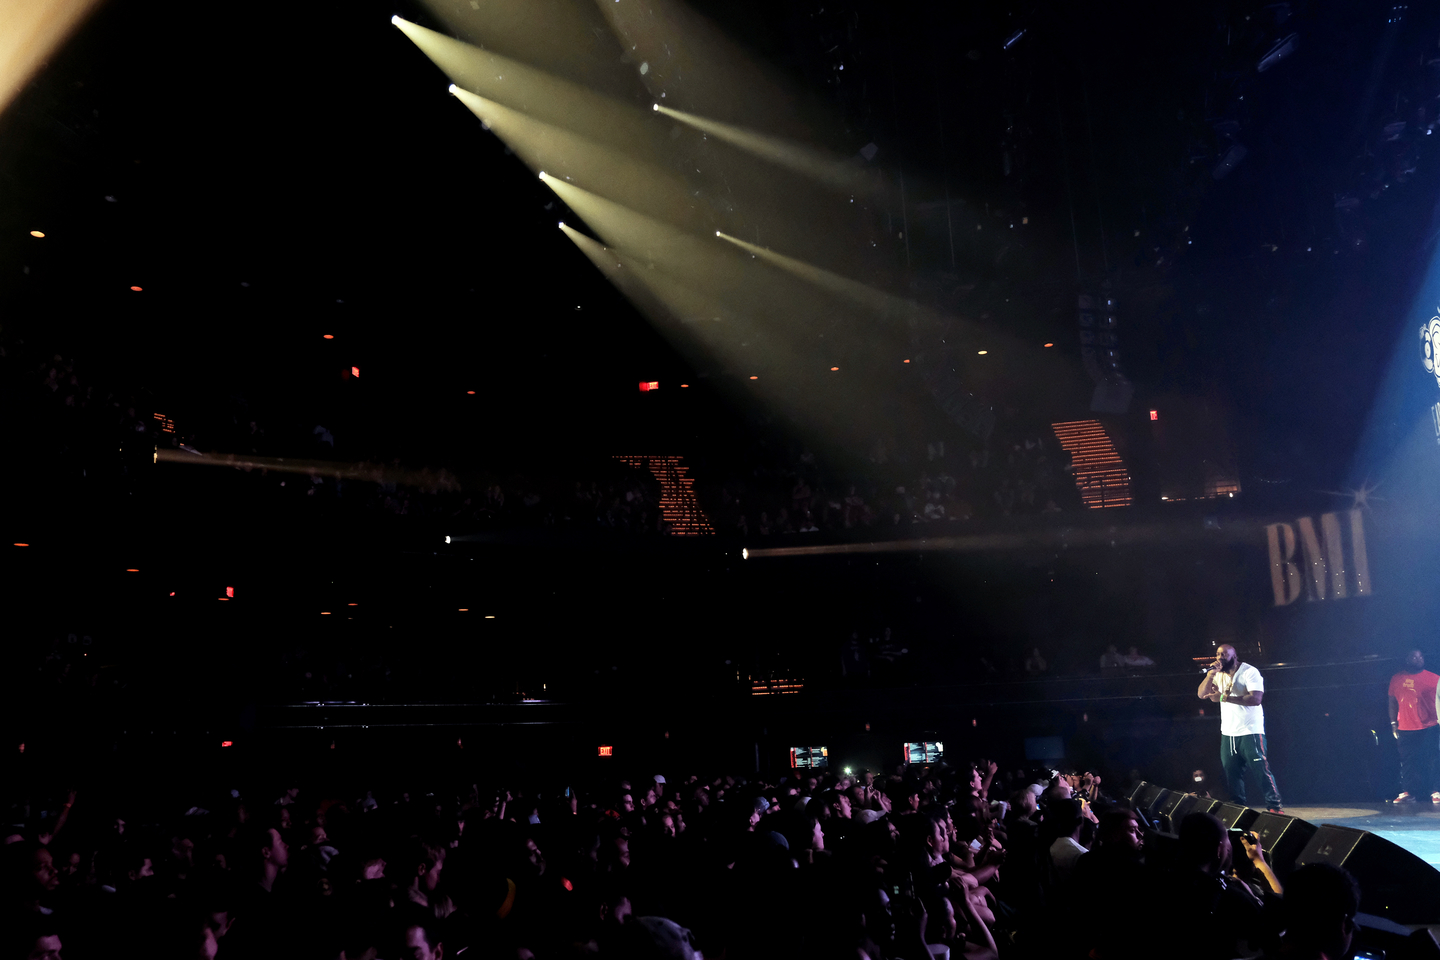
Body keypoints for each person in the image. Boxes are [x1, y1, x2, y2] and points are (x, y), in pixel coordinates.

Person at [1198, 644, 1283, 812]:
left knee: (1260, 770)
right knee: (1232, 773)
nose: (1220, 657)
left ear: (1234, 656)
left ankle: (1274, 805)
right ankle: (1238, 807)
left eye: (1224, 654)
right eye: (1218, 654)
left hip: (1250, 730)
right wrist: (1210, 676)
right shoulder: (1218, 674)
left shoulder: (1249, 672)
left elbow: (1255, 699)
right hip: (1229, 732)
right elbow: (1202, 694)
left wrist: (1223, 697)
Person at [1387, 648, 1440, 803]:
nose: (1418, 659)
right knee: (1408, 761)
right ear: (1407, 659)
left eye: (1421, 657)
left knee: (1433, 759)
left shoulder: (1434, 678)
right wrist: (1393, 723)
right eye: (1414, 657)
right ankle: (1409, 791)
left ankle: (1436, 790)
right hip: (1405, 726)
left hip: (1429, 725)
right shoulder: (1396, 679)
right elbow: (1391, 701)